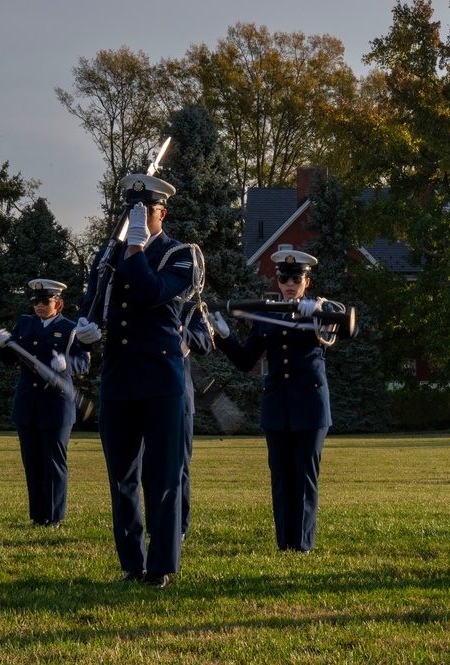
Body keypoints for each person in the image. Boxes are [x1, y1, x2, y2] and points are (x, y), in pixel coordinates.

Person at [75, 173, 203, 588]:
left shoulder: (180, 254)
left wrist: (132, 246)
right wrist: (86, 329)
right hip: (118, 378)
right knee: (122, 478)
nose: (136, 217)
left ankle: (161, 567)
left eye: (145, 211)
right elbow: (93, 302)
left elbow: (151, 292)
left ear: (161, 213)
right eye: (131, 210)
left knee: (162, 478)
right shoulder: (107, 254)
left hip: (160, 380)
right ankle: (132, 562)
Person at [208, 248, 348, 553]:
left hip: (310, 406)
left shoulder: (322, 310)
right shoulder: (266, 315)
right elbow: (246, 360)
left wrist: (318, 314)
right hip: (277, 406)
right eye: (284, 278)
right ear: (277, 279)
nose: (289, 283)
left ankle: (303, 545)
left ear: (306, 281)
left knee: (304, 476)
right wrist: (224, 335)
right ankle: (284, 544)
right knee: (282, 478)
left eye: (296, 278)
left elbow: (348, 325)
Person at [0, 279, 90, 528]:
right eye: (35, 301)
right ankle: (38, 516)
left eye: (45, 301)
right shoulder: (25, 323)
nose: (39, 305)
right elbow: (9, 359)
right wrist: (1, 345)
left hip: (56, 405)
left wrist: (68, 362)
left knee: (54, 462)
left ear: (58, 303)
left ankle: (55, 516)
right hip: (27, 404)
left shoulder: (70, 329)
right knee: (32, 462)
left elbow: (84, 362)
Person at [179, 299, 214, 541]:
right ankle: (155, 523)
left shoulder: (190, 308)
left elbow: (204, 342)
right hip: (142, 395)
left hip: (179, 398)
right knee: (147, 469)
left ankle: (179, 525)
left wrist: (182, 331)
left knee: (179, 467)